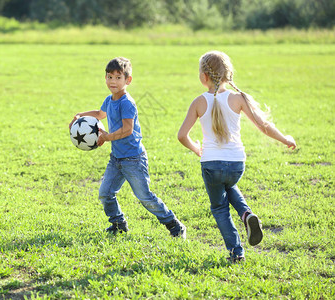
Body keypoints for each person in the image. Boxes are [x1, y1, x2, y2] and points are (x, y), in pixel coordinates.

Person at [177, 50, 297, 262]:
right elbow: (264, 126)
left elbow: (181, 135)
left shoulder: (198, 102)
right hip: (236, 164)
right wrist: (285, 139)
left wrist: (197, 149)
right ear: (227, 74)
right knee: (229, 186)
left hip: (211, 165)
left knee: (219, 208)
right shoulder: (238, 98)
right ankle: (246, 215)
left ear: (204, 76)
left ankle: (236, 251)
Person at [69, 57, 186, 238]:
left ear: (127, 80)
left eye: (118, 77)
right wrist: (79, 115)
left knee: (145, 197)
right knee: (105, 193)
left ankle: (174, 225)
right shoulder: (109, 100)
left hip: (133, 159)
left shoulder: (126, 102)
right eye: (109, 77)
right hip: (116, 159)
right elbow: (100, 115)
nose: (113, 81)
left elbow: (127, 129)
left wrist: (107, 137)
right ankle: (118, 224)